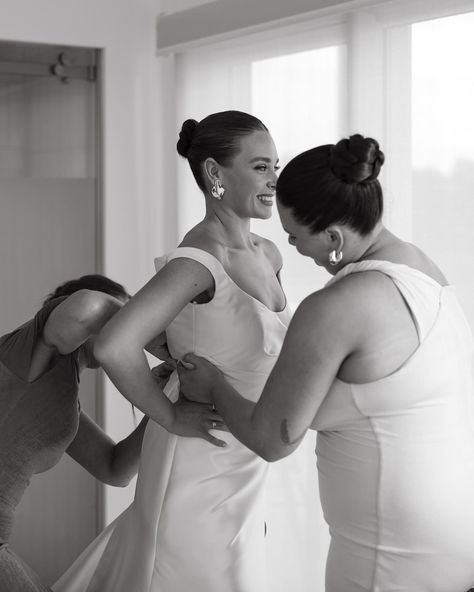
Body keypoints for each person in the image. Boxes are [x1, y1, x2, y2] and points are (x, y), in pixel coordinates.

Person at [178, 134, 474, 592]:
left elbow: (272, 439)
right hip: (453, 543)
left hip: (390, 561)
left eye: (296, 238)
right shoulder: (422, 270)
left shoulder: (337, 304)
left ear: (334, 237)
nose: (295, 250)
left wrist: (214, 385)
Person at [53, 110, 318, 592]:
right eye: (261, 167)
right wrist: (171, 418)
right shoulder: (196, 261)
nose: (274, 180)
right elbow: (115, 345)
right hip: (203, 462)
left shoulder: (270, 254)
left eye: (275, 166)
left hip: (249, 455)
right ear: (215, 173)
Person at [0, 274, 177, 592]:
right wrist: (146, 331)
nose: (128, 332)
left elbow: (115, 468)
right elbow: (87, 308)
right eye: (125, 317)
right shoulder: (28, 352)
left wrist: (160, 401)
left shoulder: (63, 407)